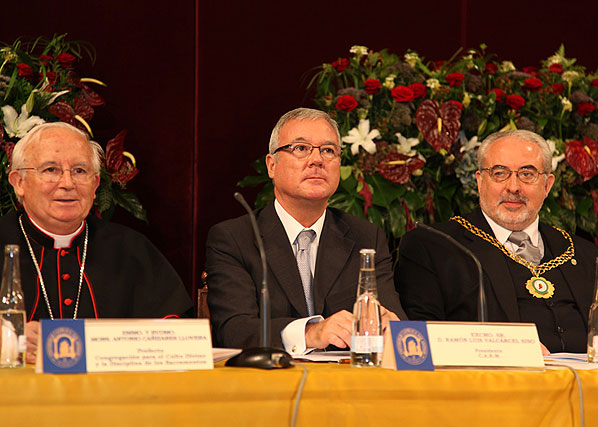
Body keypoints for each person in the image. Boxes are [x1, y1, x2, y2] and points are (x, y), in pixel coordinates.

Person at [205, 107, 405, 355]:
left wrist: (390, 326)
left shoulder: (365, 238)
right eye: (300, 149)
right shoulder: (235, 239)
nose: (317, 160)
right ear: (272, 166)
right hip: (270, 385)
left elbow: (395, 325)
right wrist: (311, 333)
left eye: (328, 151)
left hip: (349, 385)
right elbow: (234, 330)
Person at [3, 122, 193, 363]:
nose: (67, 183)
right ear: (19, 182)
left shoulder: (130, 248)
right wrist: (7, 340)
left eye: (80, 171)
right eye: (51, 170)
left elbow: (177, 333)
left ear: (95, 186)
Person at [395, 129, 598, 354]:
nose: (513, 187)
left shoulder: (582, 253)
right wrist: (511, 350)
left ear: (547, 185)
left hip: (584, 385)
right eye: (500, 173)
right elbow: (417, 342)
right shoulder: (435, 246)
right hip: (488, 386)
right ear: (480, 181)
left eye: (527, 174)